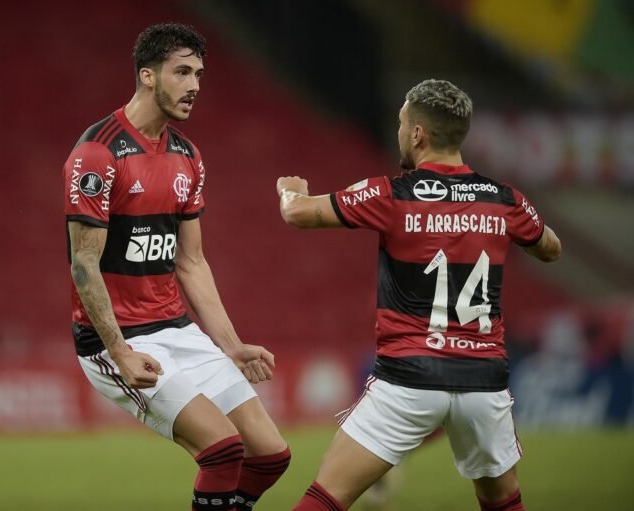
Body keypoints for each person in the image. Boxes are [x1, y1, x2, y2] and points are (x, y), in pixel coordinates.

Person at [277, 79, 561, 511]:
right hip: (483, 383)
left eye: (400, 123)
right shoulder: (505, 200)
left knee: (326, 497)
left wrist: (290, 190)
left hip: (410, 377)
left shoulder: (392, 193)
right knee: (504, 502)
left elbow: (298, 214)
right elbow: (550, 248)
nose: (398, 132)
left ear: (417, 134)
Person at [63, 23, 290, 511]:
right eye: (182, 72)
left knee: (270, 455)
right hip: (117, 338)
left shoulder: (188, 157)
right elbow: (83, 264)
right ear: (147, 75)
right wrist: (118, 351)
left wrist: (231, 345)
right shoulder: (97, 153)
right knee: (222, 450)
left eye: (200, 74)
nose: (194, 86)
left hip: (177, 328)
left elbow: (192, 261)